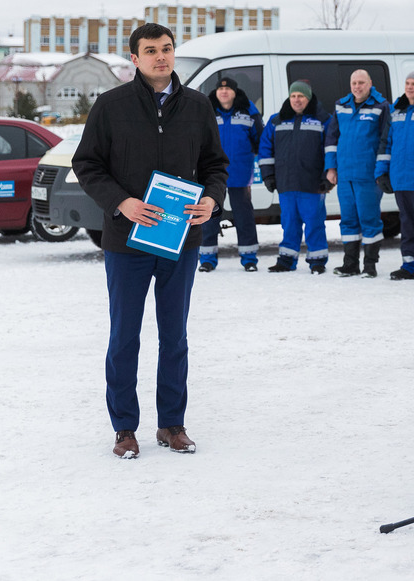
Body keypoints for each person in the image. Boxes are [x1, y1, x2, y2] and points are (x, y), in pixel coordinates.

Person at [71, 23, 229, 458]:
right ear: (135, 59)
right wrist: (121, 202)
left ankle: (171, 424)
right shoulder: (111, 106)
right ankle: (124, 428)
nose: (161, 56)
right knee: (125, 335)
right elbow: (87, 164)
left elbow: (216, 164)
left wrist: (212, 199)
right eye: (151, 51)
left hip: (181, 240)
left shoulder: (198, 107)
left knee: (174, 335)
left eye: (167, 49)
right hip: (127, 242)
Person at [258, 81, 335, 274]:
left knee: (314, 223)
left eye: (301, 96)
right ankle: (286, 260)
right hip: (286, 183)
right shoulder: (277, 120)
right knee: (289, 223)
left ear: (308, 99)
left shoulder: (324, 120)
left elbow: (331, 149)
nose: (297, 100)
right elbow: (265, 148)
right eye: (293, 96)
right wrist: (268, 175)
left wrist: (328, 176)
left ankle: (317, 260)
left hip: (313, 183)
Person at [375, 71, 414, 281]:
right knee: (407, 224)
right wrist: (382, 172)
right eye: (407, 83)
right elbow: (386, 143)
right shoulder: (396, 110)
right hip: (400, 179)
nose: (410, 87)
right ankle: (409, 265)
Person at [327, 70, 391, 277]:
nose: (357, 86)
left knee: (369, 219)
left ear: (370, 83)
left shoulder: (381, 106)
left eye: (361, 83)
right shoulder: (341, 105)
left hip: (367, 174)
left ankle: (370, 266)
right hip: (345, 174)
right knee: (348, 220)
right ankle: (350, 264)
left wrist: (381, 171)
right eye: (354, 82)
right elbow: (331, 139)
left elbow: (385, 141)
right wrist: (331, 167)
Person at [198, 77, 264, 272]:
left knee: (244, 218)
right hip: (212, 176)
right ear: (216, 93)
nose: (224, 92)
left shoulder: (249, 112)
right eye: (220, 89)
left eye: (228, 89)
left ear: (235, 93)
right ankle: (207, 259)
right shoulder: (207, 112)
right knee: (209, 217)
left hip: (240, 174)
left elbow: (260, 139)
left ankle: (249, 258)